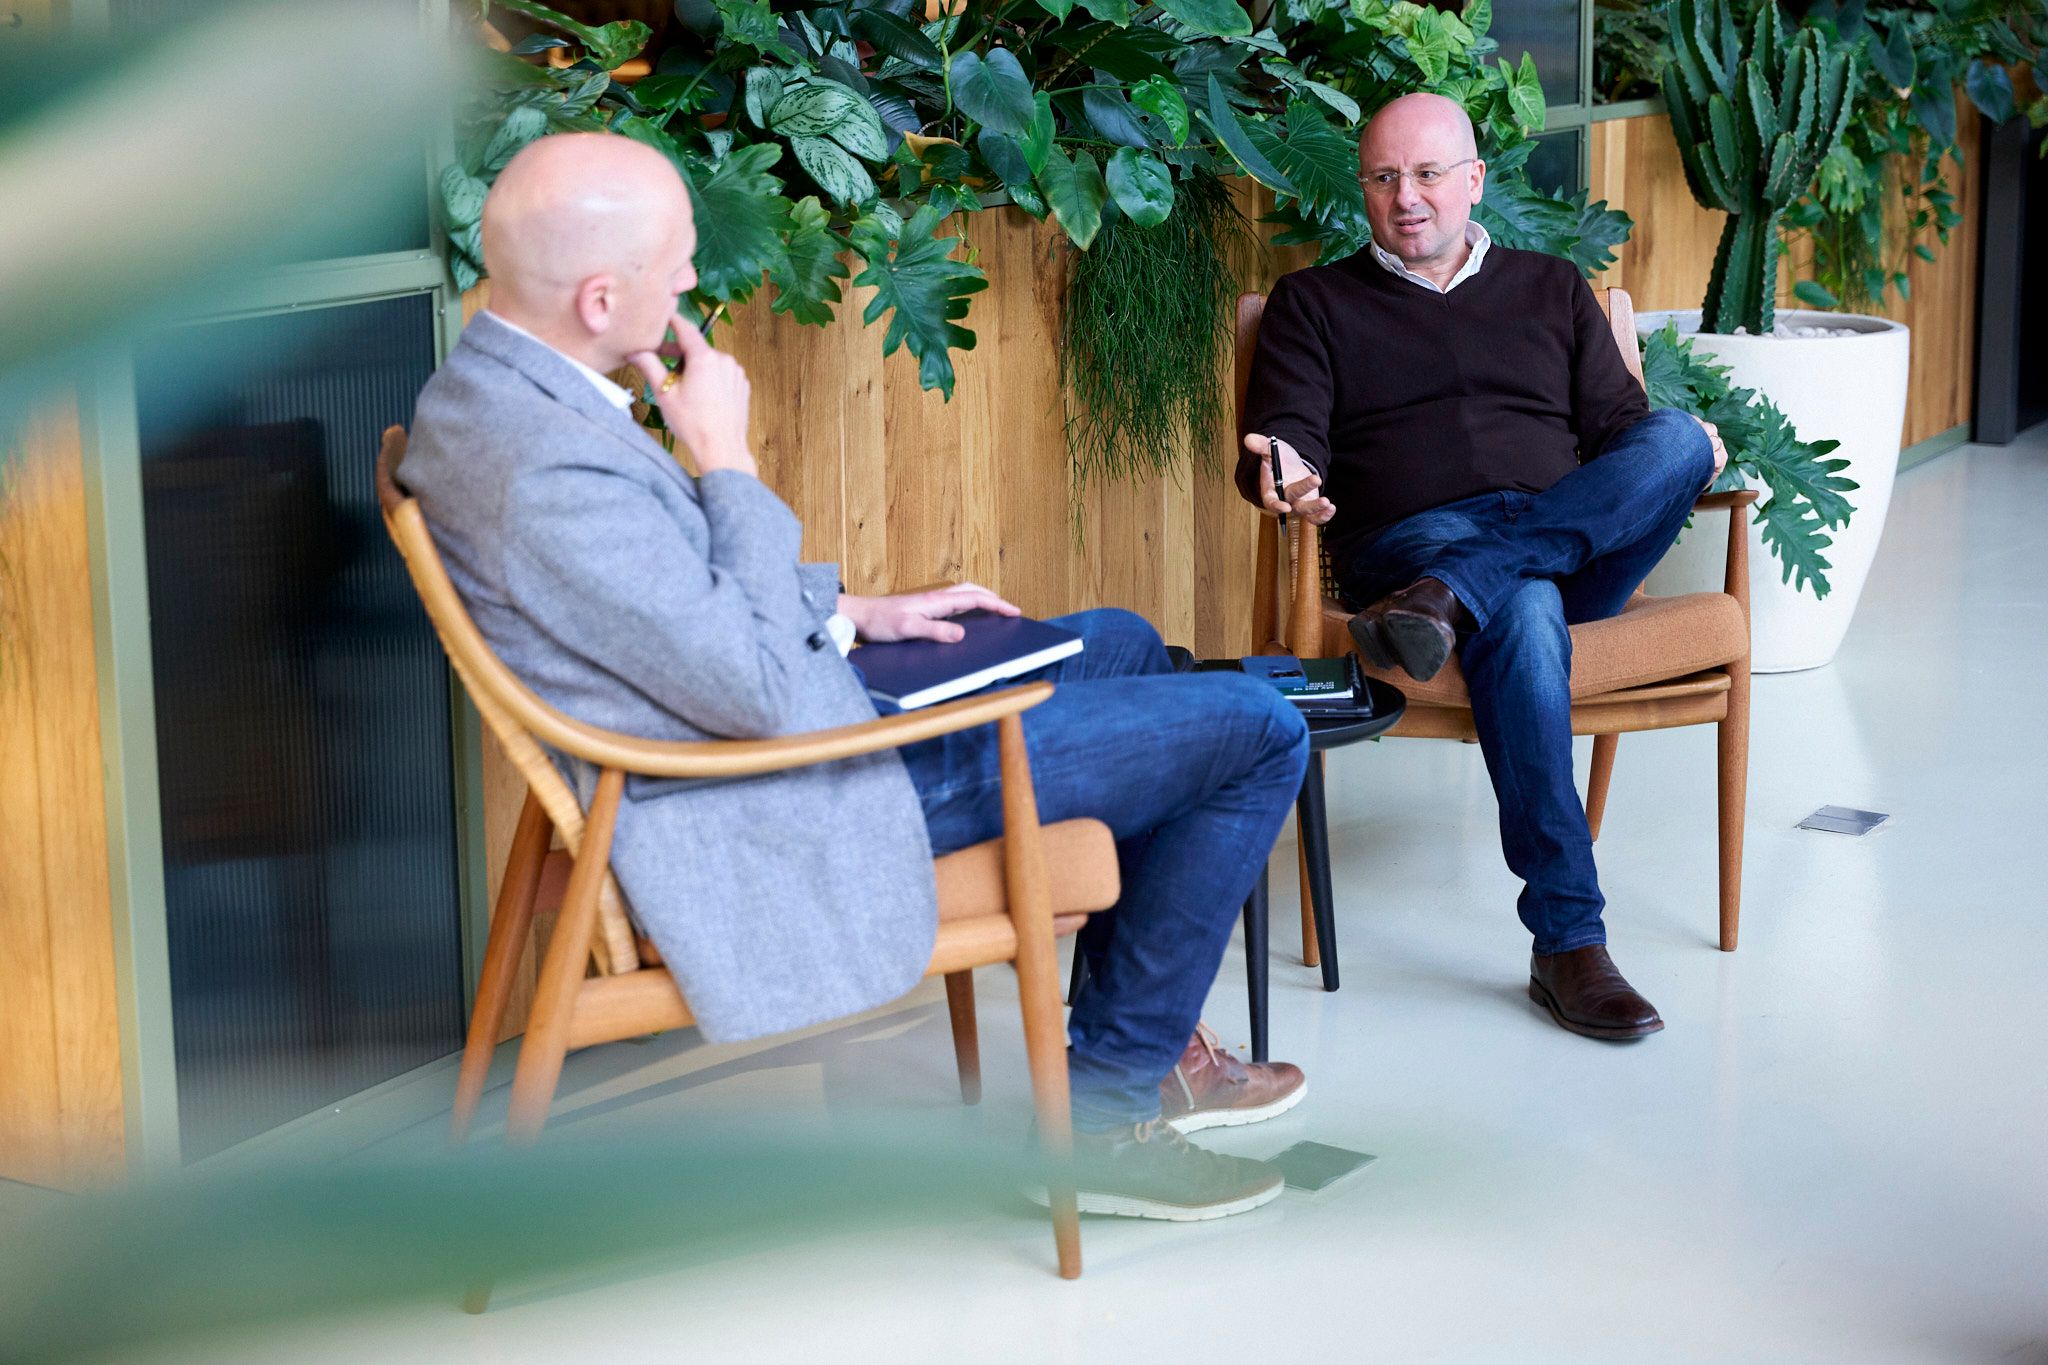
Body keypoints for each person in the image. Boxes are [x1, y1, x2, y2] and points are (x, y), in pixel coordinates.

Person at [400, 132, 1312, 1219]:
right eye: (676, 262)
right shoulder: (543, 470)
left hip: (766, 743)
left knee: (1113, 638)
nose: (693, 281)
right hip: (788, 797)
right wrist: (724, 460)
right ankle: (1107, 1116)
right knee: (1257, 728)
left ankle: (1147, 1048)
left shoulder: (490, 389)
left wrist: (850, 611)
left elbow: (651, 599)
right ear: (600, 300)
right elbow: (744, 690)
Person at [1239, 93, 1728, 1041]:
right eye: (1384, 178)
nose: (1406, 198)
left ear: (1474, 182)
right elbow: (1289, 435)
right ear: (1365, 191)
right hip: (1413, 543)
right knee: (1528, 606)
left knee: (1676, 437)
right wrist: (1286, 472)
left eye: (1427, 175)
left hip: (1552, 542)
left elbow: (1624, 437)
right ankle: (1569, 943)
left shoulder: (1550, 287)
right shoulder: (1316, 304)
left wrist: (1684, 454)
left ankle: (1458, 597)